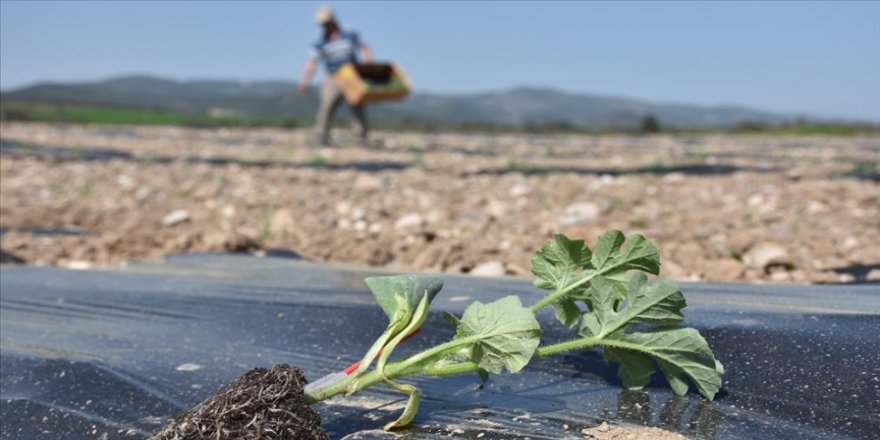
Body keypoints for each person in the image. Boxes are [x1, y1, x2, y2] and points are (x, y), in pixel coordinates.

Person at [298, 6, 373, 146]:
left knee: (358, 107)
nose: (325, 26)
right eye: (322, 24)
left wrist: (368, 66)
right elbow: (312, 62)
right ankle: (321, 138)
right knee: (326, 107)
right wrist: (305, 81)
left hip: (352, 74)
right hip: (332, 76)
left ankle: (361, 139)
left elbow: (365, 47)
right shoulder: (320, 41)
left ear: (333, 20)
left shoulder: (349, 34)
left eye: (327, 22)